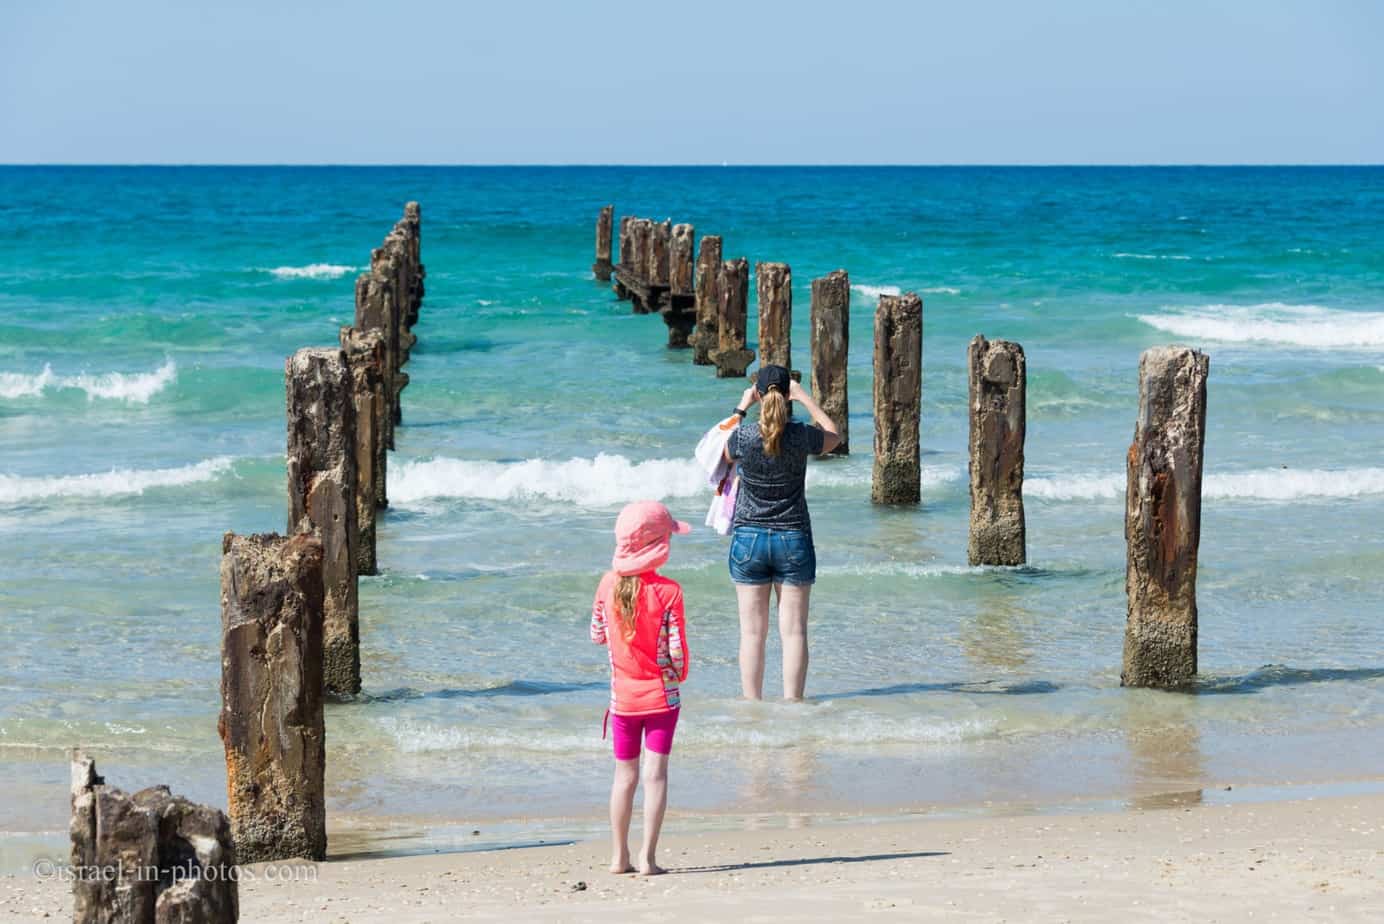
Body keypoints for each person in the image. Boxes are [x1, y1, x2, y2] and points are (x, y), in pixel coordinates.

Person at [723, 364, 840, 701]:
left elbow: (722, 448)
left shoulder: (744, 436)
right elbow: (834, 435)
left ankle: (752, 706)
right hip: (793, 537)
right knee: (793, 633)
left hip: (749, 539)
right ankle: (793, 706)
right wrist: (805, 398)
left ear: (758, 394)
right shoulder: (801, 434)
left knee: (752, 634)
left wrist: (741, 407)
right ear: (788, 395)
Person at [590, 500, 690, 876]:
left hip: (623, 701)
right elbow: (677, 655)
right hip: (663, 699)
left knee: (624, 777)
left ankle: (619, 857)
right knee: (656, 775)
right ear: (659, 544)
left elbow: (597, 635)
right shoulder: (670, 592)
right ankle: (648, 859)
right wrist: (675, 676)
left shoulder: (606, 584)